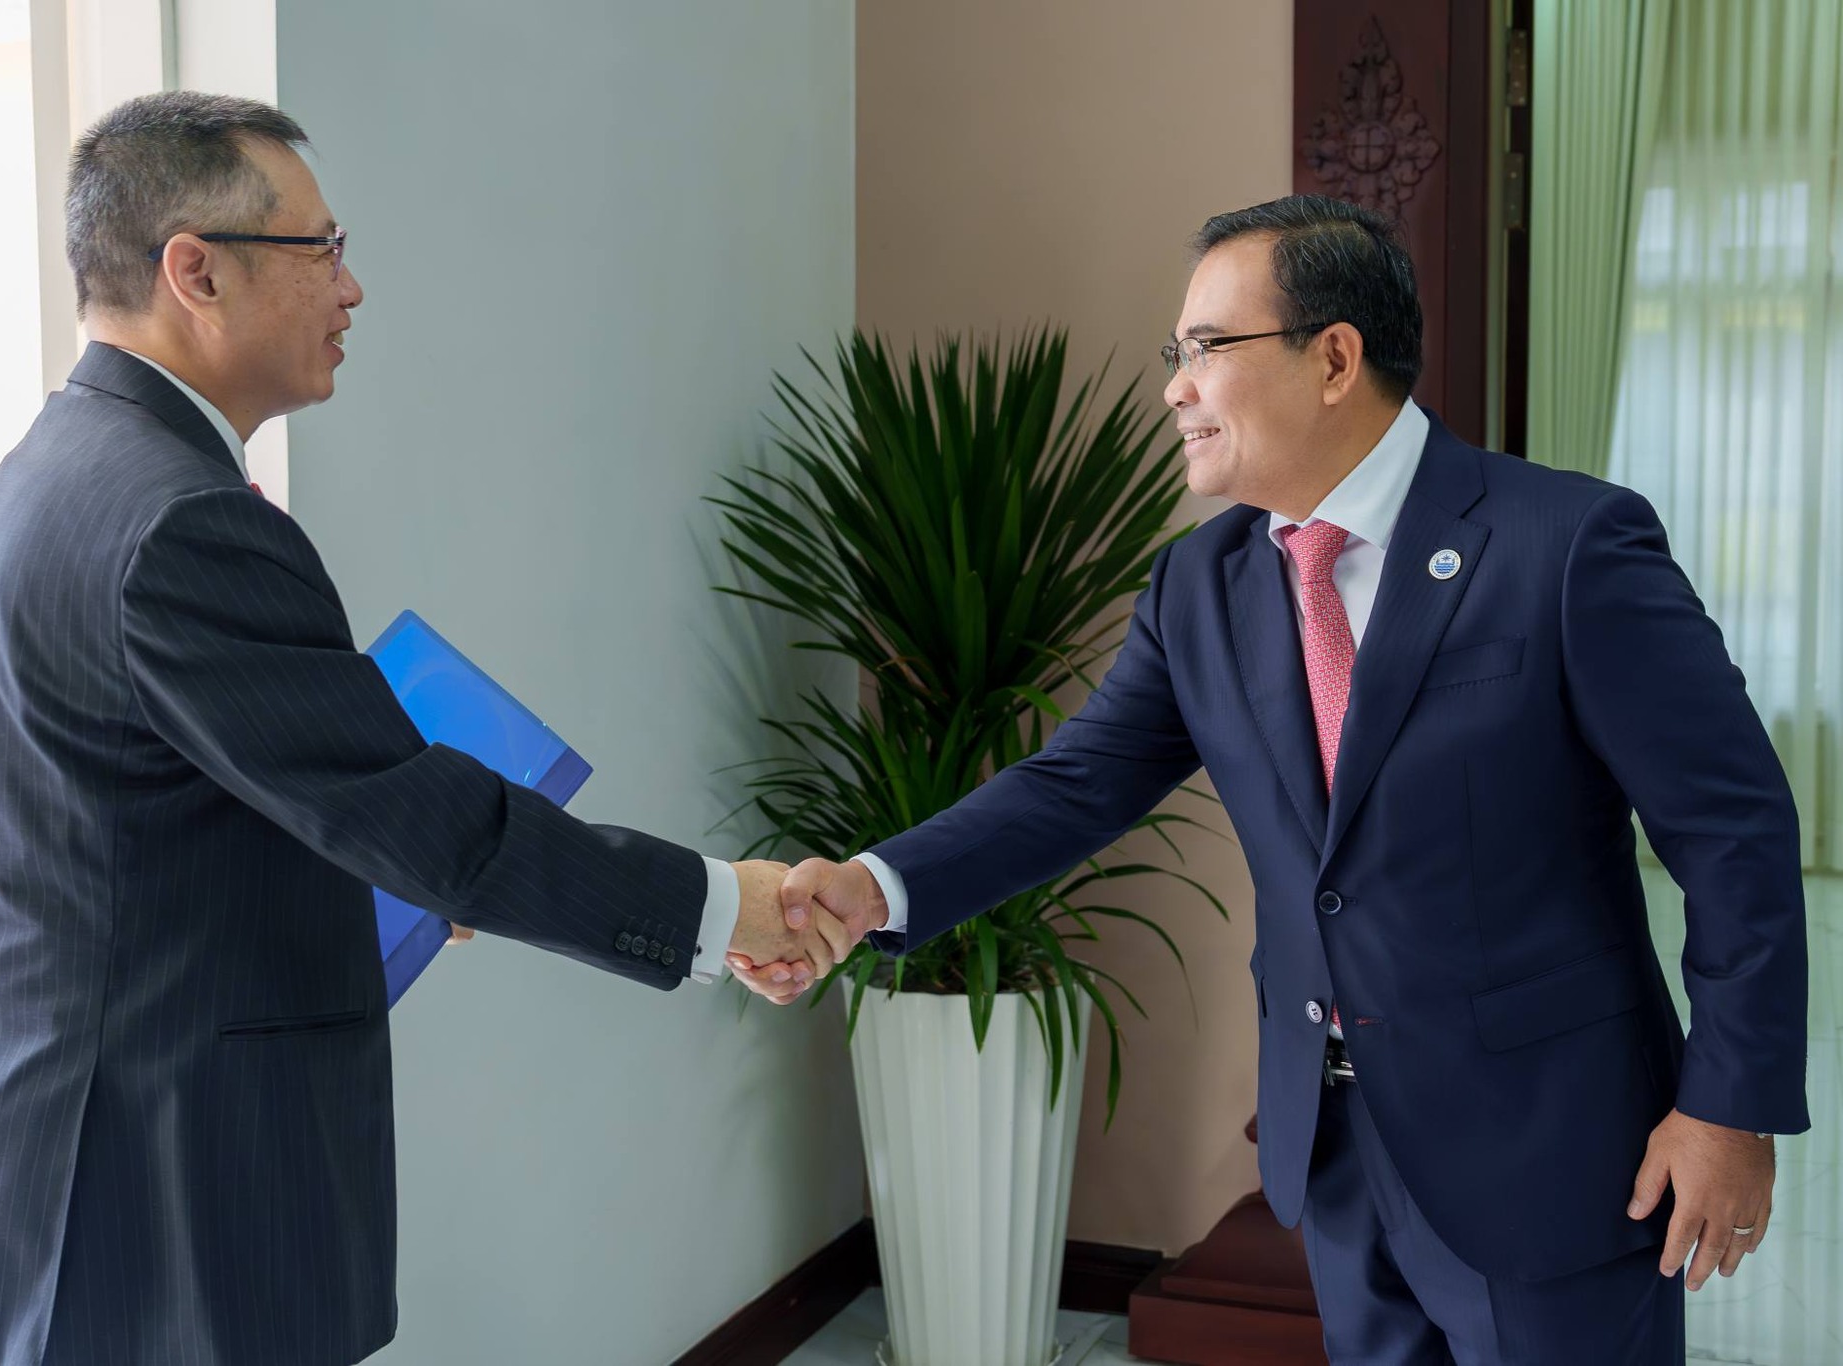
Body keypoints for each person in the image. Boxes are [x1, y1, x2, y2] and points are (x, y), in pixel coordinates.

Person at [732, 195, 1809, 1365]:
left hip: (1547, 1148)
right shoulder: (1199, 587)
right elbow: (1075, 783)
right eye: (1172, 354)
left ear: (1332, 357)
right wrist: (872, 888)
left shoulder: (1564, 544)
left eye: (1204, 348)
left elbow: (1730, 829)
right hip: (1336, 1145)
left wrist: (1726, 1106)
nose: (1172, 389)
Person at [0, 91, 847, 1366]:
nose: (351, 288)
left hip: (51, 1175)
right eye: (321, 248)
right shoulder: (182, 521)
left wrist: (380, 854)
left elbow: (131, 823)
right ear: (195, 271)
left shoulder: (49, 474)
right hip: (154, 1199)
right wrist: (723, 906)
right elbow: (421, 818)